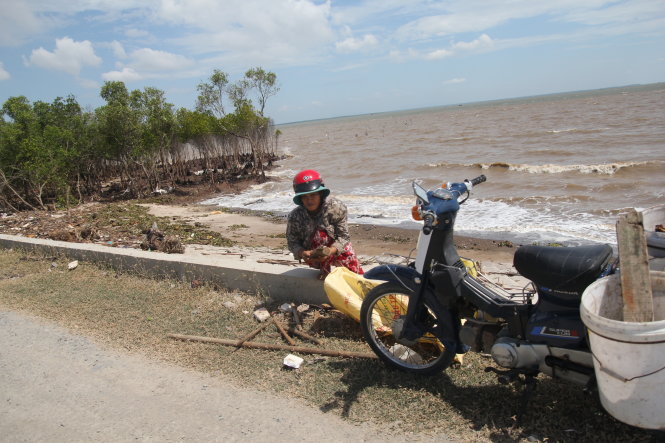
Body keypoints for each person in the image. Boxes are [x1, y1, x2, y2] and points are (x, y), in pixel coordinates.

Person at [286, 169, 363, 279]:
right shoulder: (295, 216)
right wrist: (302, 252)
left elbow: (344, 237)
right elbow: (292, 241)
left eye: (313, 195)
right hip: (312, 255)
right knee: (319, 236)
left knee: (347, 253)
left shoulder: (336, 208)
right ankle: (325, 270)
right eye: (305, 197)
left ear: (321, 194)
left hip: (336, 249)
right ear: (300, 198)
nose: (309, 200)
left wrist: (330, 251)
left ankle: (355, 274)